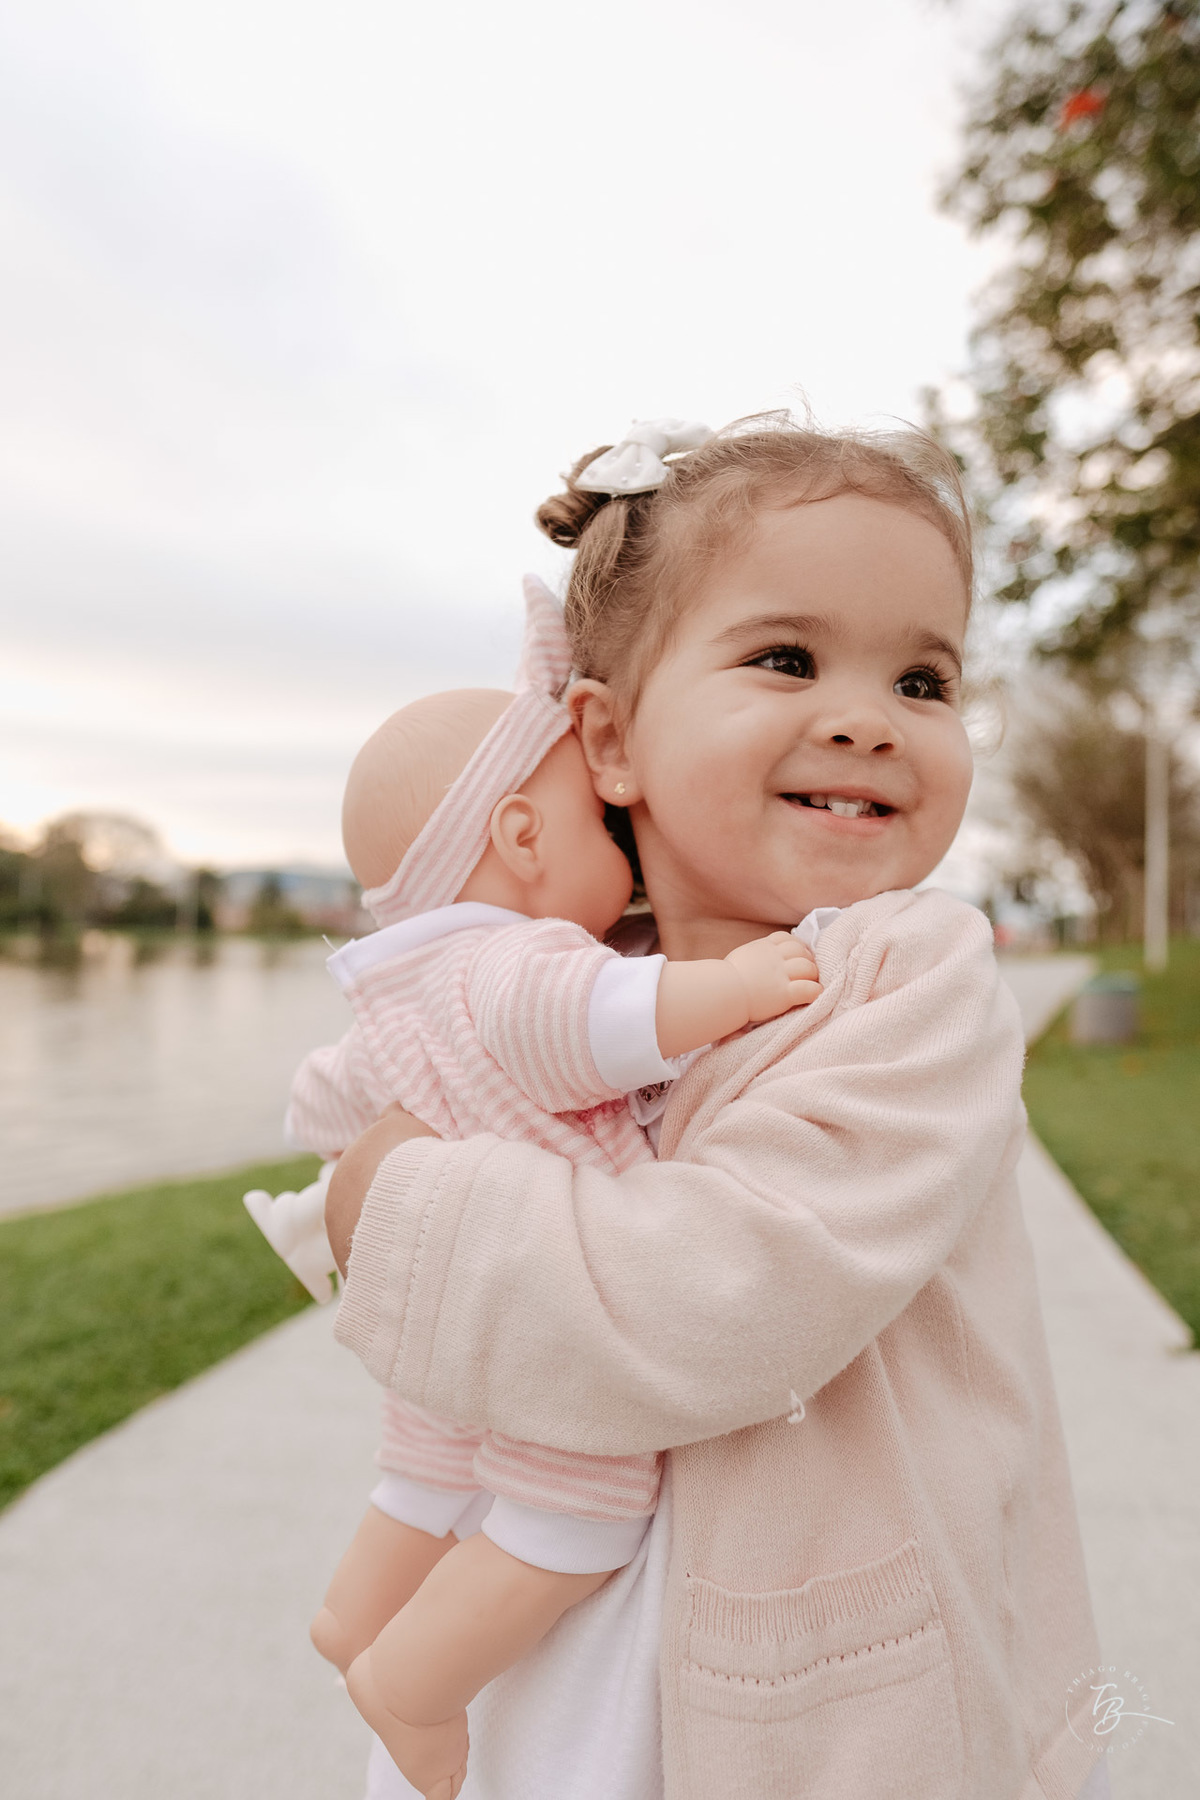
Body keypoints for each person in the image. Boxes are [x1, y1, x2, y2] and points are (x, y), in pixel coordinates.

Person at [326, 416, 1109, 1800]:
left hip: (820, 1707)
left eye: (923, 678)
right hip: (549, 1675)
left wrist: (387, 1203)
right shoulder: (580, 991)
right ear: (610, 738)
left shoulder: (906, 983)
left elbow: (713, 1297)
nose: (869, 717)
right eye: (788, 658)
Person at [253, 571, 821, 1798]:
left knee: (427, 1473)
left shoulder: (399, 991)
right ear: (522, 838)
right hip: (540, 1321)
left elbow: (324, 1102)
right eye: (599, 830)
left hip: (445, 1323)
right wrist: (742, 985)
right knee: (582, 1509)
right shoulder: (515, 966)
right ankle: (414, 1683)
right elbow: (609, 1018)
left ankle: (354, 1616)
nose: (623, 855)